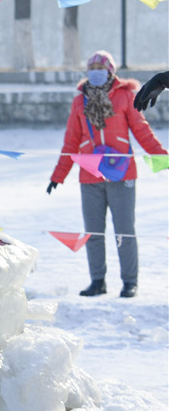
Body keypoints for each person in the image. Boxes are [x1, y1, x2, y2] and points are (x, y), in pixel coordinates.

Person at [47, 50, 166, 299]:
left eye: (101, 68)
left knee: (125, 231)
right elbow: (71, 142)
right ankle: (98, 280)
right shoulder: (80, 101)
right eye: (92, 68)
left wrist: (162, 157)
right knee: (94, 233)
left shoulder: (125, 96)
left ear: (111, 71)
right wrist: (58, 175)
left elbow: (142, 132)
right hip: (90, 176)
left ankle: (129, 282)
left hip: (122, 175)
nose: (96, 73)